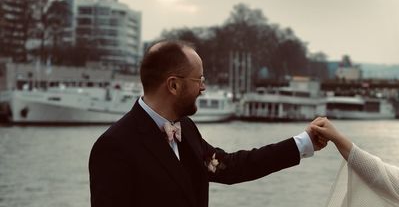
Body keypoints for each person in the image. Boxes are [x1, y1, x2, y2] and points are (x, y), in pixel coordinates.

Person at [89, 40, 327, 207]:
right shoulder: (114, 147)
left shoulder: (187, 129)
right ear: (173, 85)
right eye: (199, 79)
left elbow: (232, 167)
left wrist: (303, 143)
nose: (203, 88)